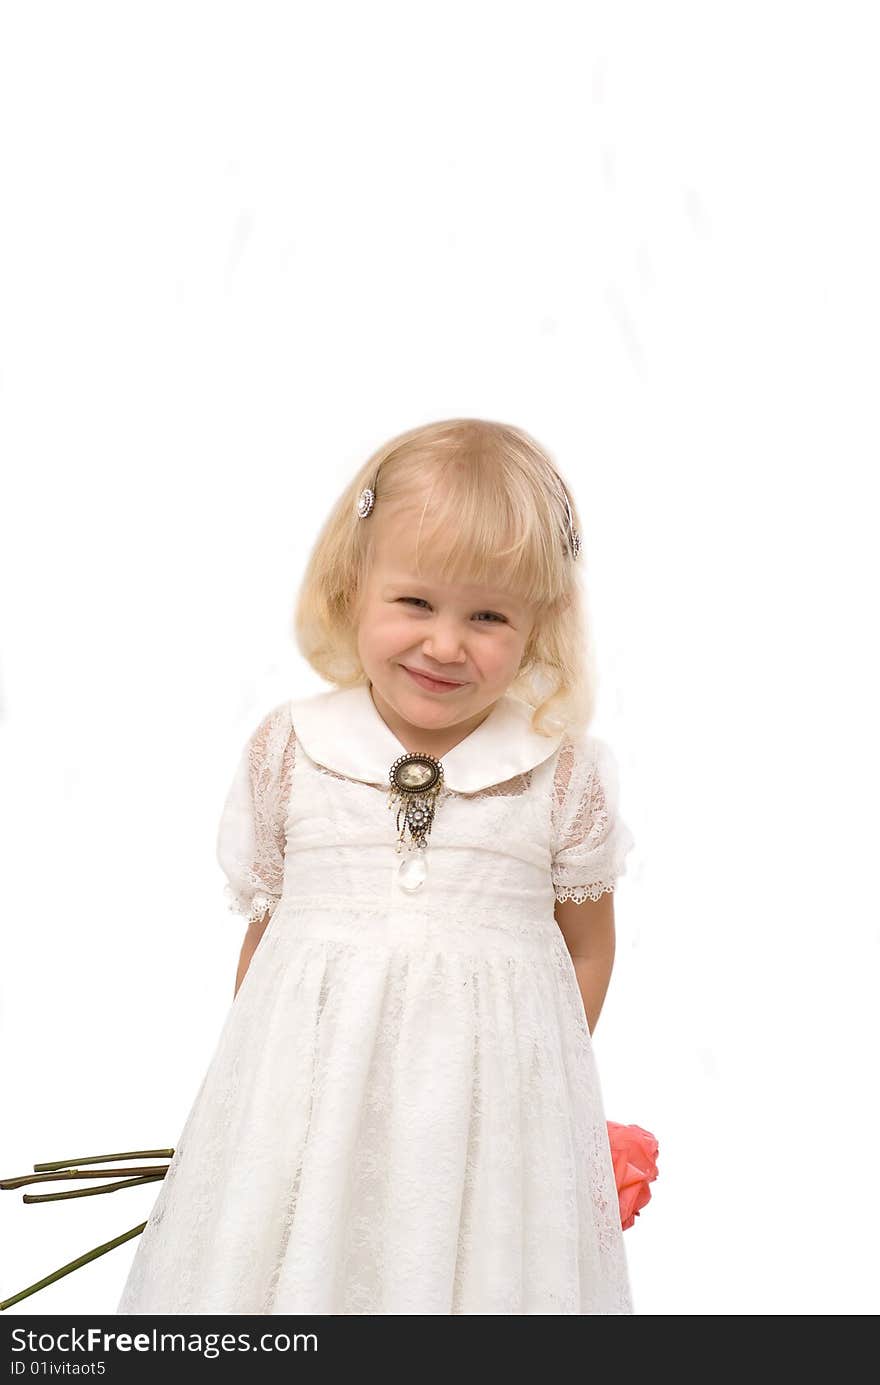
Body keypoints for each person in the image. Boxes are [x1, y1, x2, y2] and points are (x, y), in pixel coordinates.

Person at [115, 416, 637, 1316]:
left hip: (484, 1138)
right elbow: (271, 947)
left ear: (537, 625)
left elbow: (585, 945)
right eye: (416, 603)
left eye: (487, 616)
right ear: (353, 587)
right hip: (310, 1125)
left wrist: (527, 1099)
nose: (444, 644)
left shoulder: (559, 773)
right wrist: (257, 1108)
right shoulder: (293, 749)